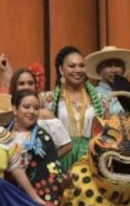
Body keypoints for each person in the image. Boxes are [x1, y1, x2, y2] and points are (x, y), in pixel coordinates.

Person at [50, 47, 123, 176]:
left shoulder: (100, 100)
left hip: (90, 158)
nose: (78, 70)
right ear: (61, 69)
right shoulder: (49, 99)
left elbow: (107, 131)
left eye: (81, 66)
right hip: (61, 155)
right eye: (72, 66)